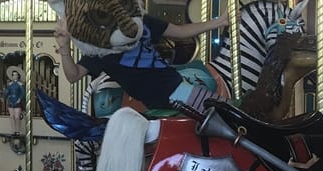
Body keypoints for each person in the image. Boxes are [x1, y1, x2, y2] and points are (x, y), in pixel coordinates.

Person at [53, 12, 229, 113]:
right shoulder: (100, 46)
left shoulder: (141, 22)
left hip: (173, 85)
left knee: (223, 113)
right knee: (225, 113)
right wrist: (64, 47)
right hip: (174, 93)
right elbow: (73, 75)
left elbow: (180, 32)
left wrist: (218, 22)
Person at [4, 68, 26, 135]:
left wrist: (19, 99)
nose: (15, 76)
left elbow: (23, 93)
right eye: (13, 75)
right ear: (12, 76)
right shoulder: (10, 84)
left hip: (17, 101)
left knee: (17, 117)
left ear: (18, 76)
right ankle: (13, 130)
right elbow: (7, 92)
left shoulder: (20, 84)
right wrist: (6, 95)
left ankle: (18, 130)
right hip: (11, 101)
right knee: (12, 116)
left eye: (16, 75)